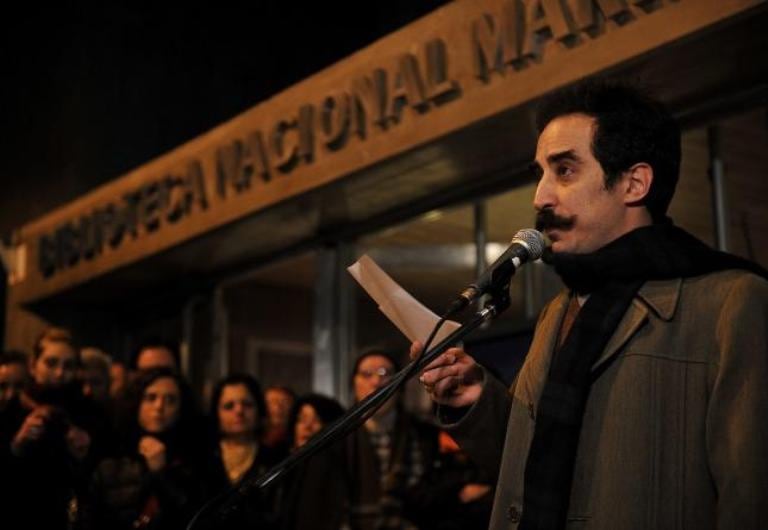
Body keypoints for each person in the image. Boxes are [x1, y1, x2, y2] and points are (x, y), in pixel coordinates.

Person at [414, 80, 768, 530]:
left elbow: (751, 498)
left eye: (564, 170)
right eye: (540, 173)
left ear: (634, 183)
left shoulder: (731, 303)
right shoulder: (558, 312)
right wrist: (474, 399)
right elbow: (533, 461)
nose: (539, 196)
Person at [83, 367, 205, 530]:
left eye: (170, 400)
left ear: (180, 409)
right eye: (151, 397)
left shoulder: (195, 456)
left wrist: (161, 474)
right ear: (137, 402)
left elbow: (193, 517)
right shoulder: (112, 453)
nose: (159, 406)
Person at [345, 349, 439, 530]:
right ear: (354, 384)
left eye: (385, 373)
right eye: (366, 374)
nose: (376, 381)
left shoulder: (423, 433)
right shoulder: (337, 438)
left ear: (400, 383)